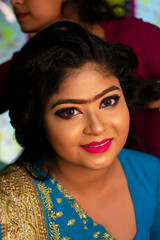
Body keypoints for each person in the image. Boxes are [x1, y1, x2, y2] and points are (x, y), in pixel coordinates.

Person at [0, 21, 160, 240]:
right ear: (39, 120)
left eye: (108, 101)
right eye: (69, 112)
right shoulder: (9, 206)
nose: (96, 127)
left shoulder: (151, 174)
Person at [0, 0, 160, 157]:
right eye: (69, 112)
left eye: (109, 102)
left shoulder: (135, 35)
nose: (15, 2)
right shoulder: (25, 66)